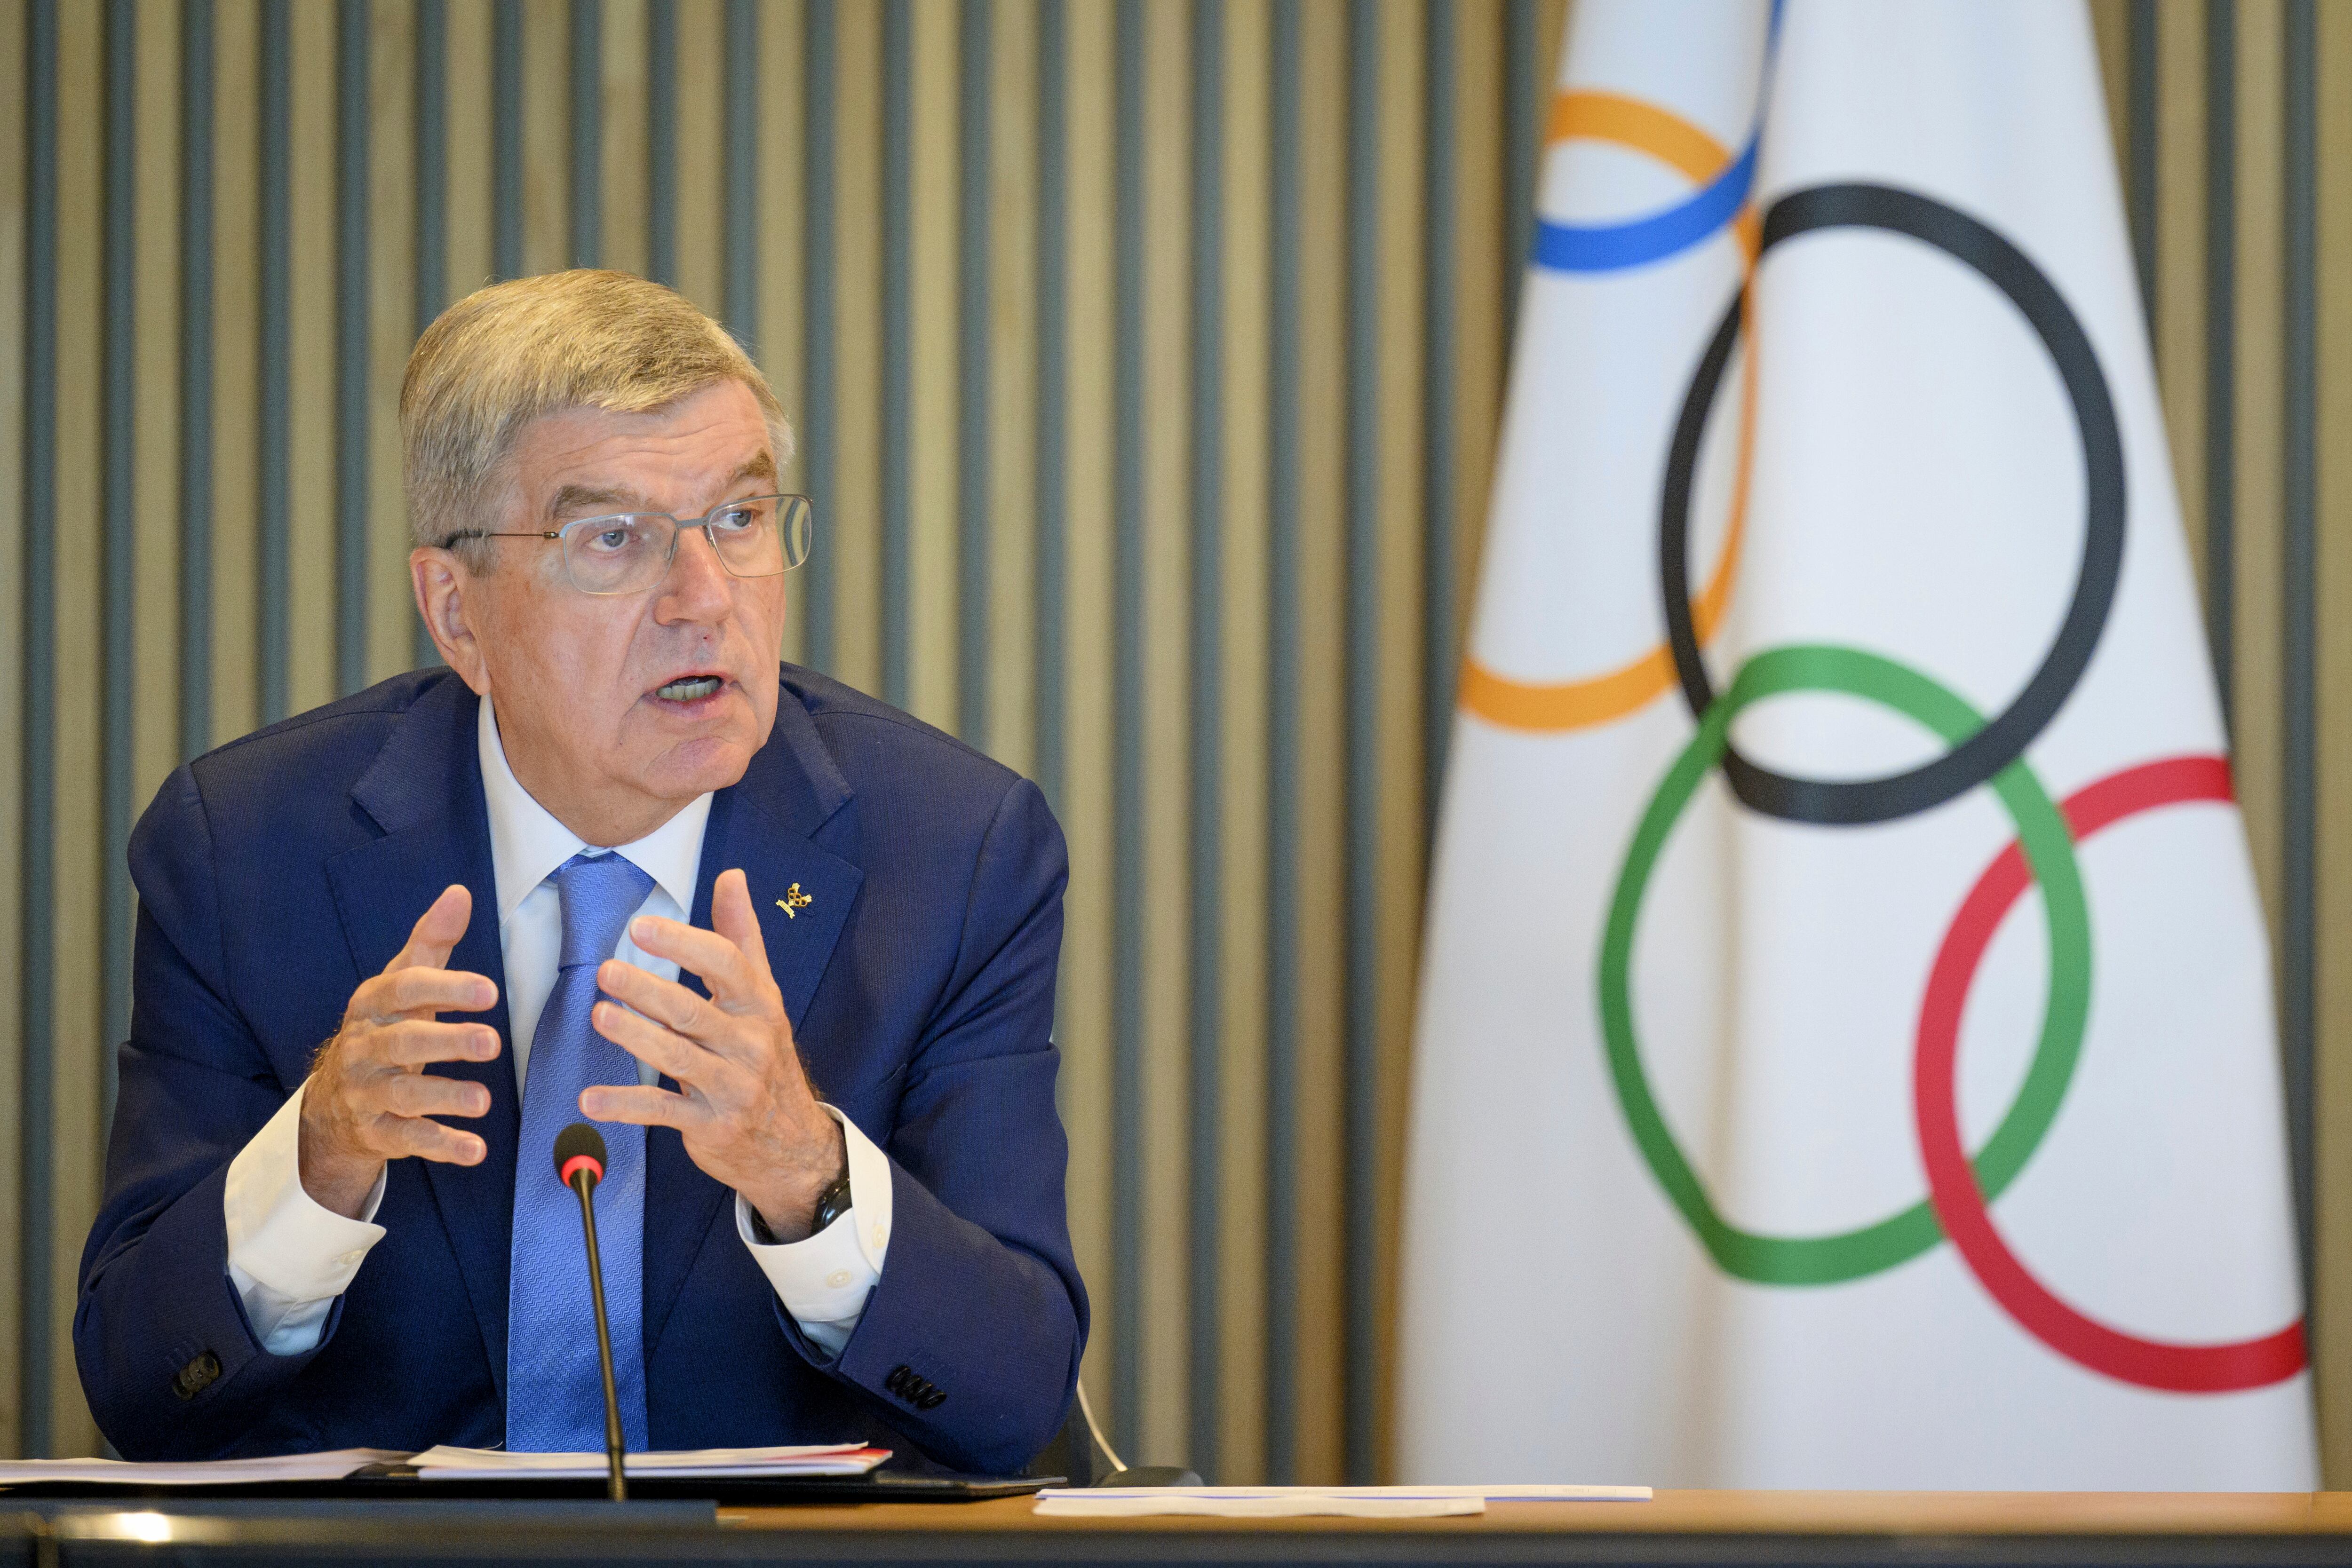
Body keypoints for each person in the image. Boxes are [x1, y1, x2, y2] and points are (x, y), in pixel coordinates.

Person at [74, 270, 1085, 1473]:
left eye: (739, 518)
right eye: (614, 538)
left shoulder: (954, 851)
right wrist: (320, 1155)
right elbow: (142, 1388)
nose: (705, 599)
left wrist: (804, 1170)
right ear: (458, 612)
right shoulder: (243, 850)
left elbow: (1011, 1401)